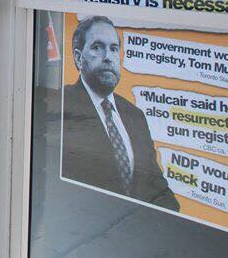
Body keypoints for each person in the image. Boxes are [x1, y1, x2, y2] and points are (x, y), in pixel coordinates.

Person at [61, 15, 179, 211]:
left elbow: (157, 187)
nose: (108, 56)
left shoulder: (136, 116)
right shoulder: (62, 104)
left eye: (114, 48)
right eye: (97, 47)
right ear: (79, 58)